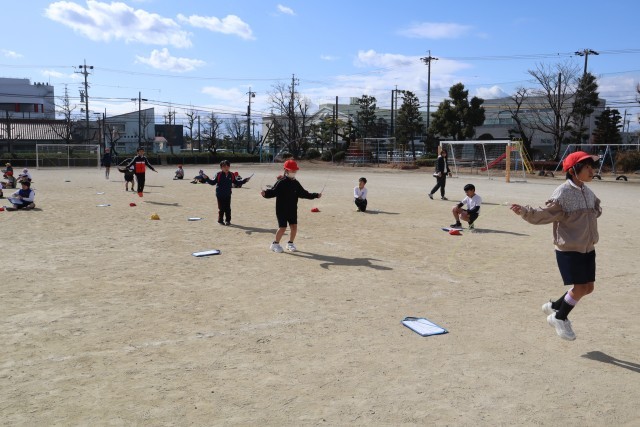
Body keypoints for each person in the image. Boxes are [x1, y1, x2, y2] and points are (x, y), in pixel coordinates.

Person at [510, 151, 602, 341]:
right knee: (579, 288)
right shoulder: (563, 192)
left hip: (588, 247)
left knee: (588, 288)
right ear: (573, 171)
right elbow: (546, 213)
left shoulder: (587, 190)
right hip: (569, 249)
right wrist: (525, 211)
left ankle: (554, 306)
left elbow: (595, 209)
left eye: (591, 167)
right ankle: (559, 317)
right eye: (587, 167)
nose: (592, 171)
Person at [261, 159, 321, 253]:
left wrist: (315, 195)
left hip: (292, 209)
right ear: (286, 170)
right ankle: (275, 244)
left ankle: (290, 243)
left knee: (294, 226)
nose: (294, 172)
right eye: (292, 170)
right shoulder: (281, 182)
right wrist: (265, 194)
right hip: (281, 209)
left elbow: (304, 193)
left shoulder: (296, 183)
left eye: (295, 170)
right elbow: (273, 192)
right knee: (283, 227)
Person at [202, 160, 235, 225]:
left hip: (228, 194)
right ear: (221, 167)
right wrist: (207, 178)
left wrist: (245, 180)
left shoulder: (231, 174)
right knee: (221, 208)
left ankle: (228, 220)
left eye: (228, 166)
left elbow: (236, 182)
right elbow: (213, 182)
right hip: (220, 194)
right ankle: (220, 220)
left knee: (228, 208)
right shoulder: (218, 174)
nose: (226, 168)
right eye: (224, 166)